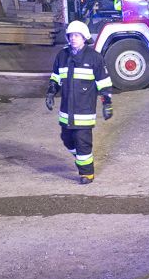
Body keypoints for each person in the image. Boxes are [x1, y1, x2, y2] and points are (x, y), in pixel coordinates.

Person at [45, 20, 113, 185]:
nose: (73, 38)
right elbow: (56, 76)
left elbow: (103, 83)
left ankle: (86, 173)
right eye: (71, 35)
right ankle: (83, 159)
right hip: (66, 112)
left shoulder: (94, 58)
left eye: (77, 35)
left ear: (84, 37)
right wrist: (51, 92)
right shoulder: (62, 56)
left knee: (82, 143)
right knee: (67, 139)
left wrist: (107, 103)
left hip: (84, 112)